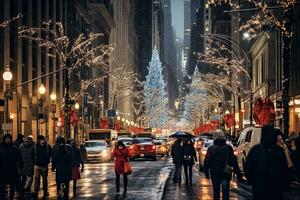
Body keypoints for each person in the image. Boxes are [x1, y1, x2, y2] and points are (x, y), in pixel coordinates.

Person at [244, 125, 290, 200]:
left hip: (259, 187)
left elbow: (248, 168)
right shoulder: (278, 150)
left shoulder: (255, 150)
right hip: (275, 187)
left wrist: (252, 181)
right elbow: (284, 169)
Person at [204, 130, 241, 200]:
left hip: (215, 173)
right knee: (225, 192)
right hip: (225, 173)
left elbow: (207, 162)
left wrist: (206, 173)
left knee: (216, 191)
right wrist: (238, 173)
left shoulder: (211, 148)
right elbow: (234, 161)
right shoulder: (228, 148)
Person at [0, 134, 24, 200]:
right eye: (6, 138)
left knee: (12, 186)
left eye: (9, 138)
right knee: (2, 187)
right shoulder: (1, 148)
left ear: (11, 139)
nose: (8, 140)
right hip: (2, 170)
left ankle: (11, 198)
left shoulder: (14, 148)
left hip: (12, 170)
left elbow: (19, 158)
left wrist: (21, 165)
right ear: (4, 139)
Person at [33, 135, 52, 199]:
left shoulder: (47, 146)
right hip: (37, 165)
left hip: (44, 166)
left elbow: (50, 154)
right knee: (36, 179)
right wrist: (35, 162)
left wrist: (47, 161)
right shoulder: (35, 147)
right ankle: (36, 191)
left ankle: (45, 190)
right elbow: (32, 154)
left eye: (43, 139)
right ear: (38, 140)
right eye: (41, 140)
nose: (42, 141)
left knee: (45, 179)